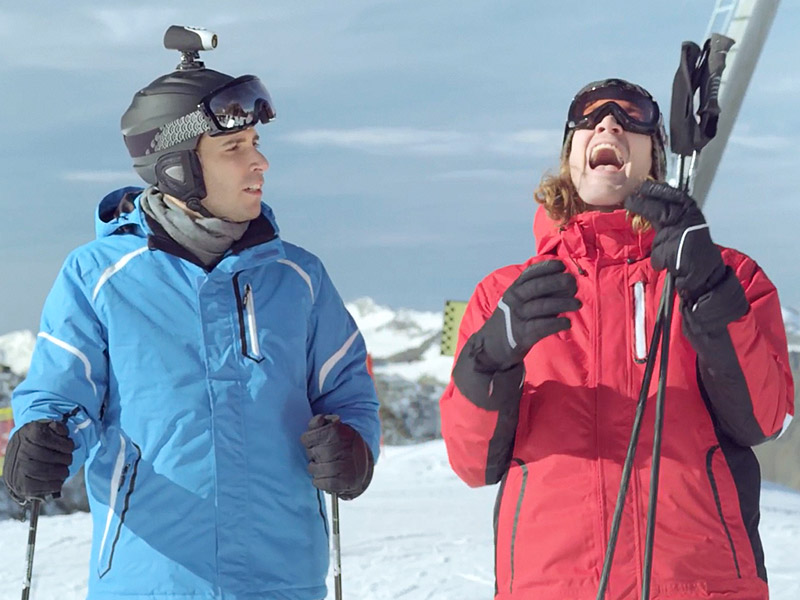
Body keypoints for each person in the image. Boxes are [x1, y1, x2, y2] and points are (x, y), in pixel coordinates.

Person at [3, 28, 380, 600]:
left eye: (255, 143)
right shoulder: (99, 277)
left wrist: (353, 448)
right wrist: (41, 441)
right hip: (150, 580)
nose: (260, 162)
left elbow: (348, 392)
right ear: (177, 166)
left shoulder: (297, 278)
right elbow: (61, 396)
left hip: (282, 580)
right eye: (235, 149)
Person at [440, 78, 794, 600]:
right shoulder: (507, 294)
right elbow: (473, 464)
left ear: (655, 161)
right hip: (552, 587)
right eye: (589, 119)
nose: (608, 124)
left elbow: (765, 419)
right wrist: (488, 360)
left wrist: (709, 292)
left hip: (703, 585)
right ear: (570, 157)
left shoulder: (728, 276)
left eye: (631, 120)